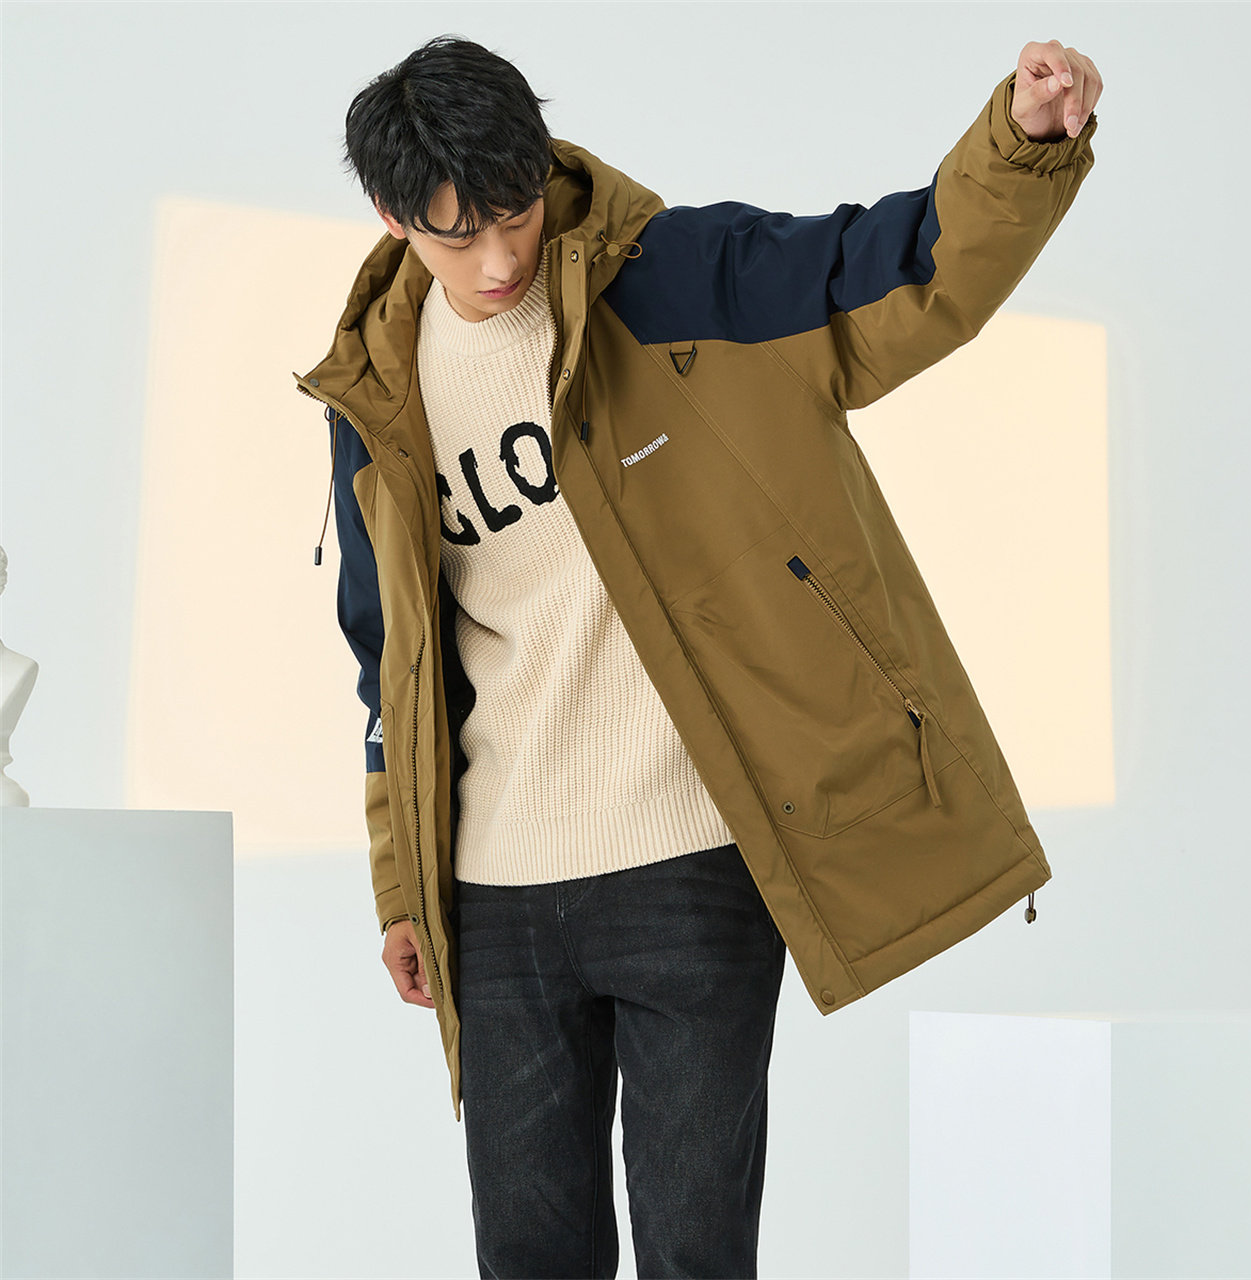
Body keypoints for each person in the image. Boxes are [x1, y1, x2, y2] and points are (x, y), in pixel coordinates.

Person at [298, 32, 1102, 1279]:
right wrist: (404, 883)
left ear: (540, 165)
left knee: (695, 1253)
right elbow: (387, 654)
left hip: (688, 861)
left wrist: (1018, 144)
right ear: (391, 217)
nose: (498, 259)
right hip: (495, 892)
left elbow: (891, 267)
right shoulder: (377, 392)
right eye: (456, 236)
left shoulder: (674, 276)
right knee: (525, 1255)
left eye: (513, 212)